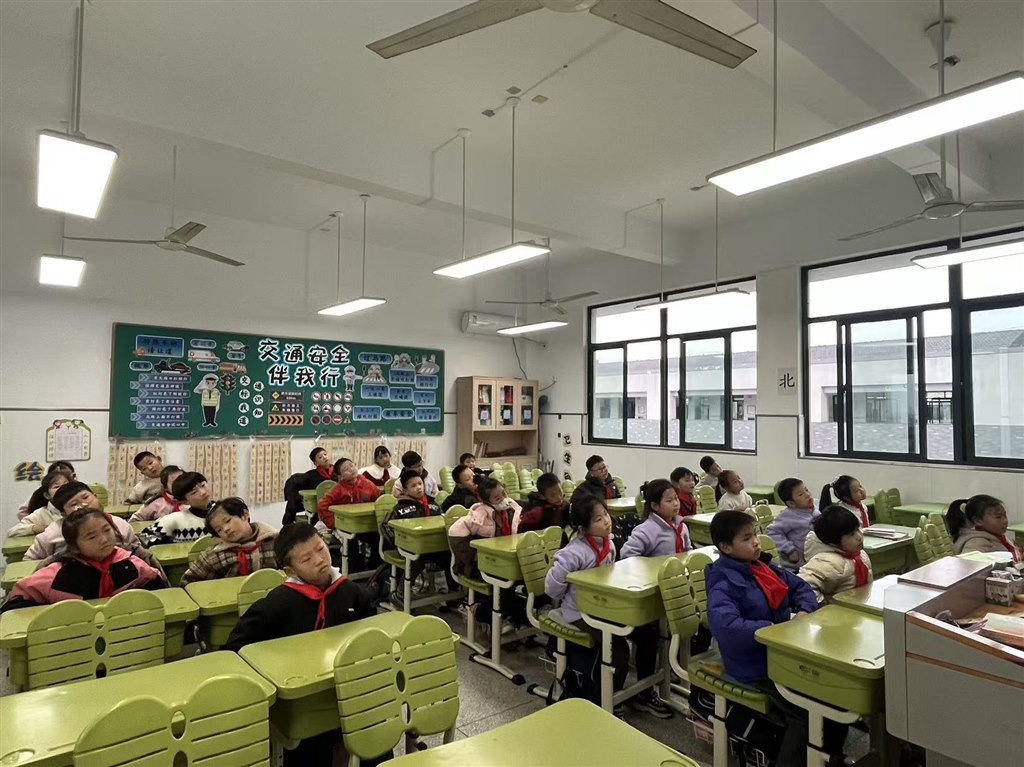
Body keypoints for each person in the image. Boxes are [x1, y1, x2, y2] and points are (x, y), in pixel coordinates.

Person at [223, 523, 375, 767]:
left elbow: (370, 631)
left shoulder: (351, 591)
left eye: (320, 549)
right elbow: (235, 648)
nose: (319, 560)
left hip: (350, 687)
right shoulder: (277, 604)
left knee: (374, 732)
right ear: (289, 570)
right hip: (303, 700)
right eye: (306, 559)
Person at [705, 510, 847, 767]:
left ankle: (828, 756)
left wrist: (804, 611)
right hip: (753, 664)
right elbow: (726, 627)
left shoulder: (763, 567)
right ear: (726, 547)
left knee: (834, 694)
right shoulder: (723, 582)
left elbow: (801, 587)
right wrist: (773, 628)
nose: (756, 542)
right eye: (747, 538)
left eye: (755, 534)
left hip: (782, 652)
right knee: (806, 713)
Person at [545, 495, 670, 718]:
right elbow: (552, 588)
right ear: (583, 528)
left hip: (605, 606)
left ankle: (643, 692)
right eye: (598, 519)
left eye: (605, 515)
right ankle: (609, 700)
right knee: (617, 647)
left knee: (648, 634)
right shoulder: (573, 553)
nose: (606, 521)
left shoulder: (608, 543)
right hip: (580, 612)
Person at [1, 508, 167, 612]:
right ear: (74, 547)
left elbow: (157, 588)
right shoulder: (57, 575)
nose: (104, 539)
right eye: (91, 537)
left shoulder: (132, 563)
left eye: (107, 530)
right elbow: (18, 603)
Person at [26, 481, 144, 562]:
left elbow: (136, 550)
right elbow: (29, 561)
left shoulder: (120, 524)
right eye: (73, 504)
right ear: (63, 513)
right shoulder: (52, 533)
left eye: (86, 497)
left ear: (95, 496)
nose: (83, 505)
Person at [382, 469, 456, 593]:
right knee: (416, 560)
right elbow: (385, 525)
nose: (418, 487)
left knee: (450, 557)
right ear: (405, 490)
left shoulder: (433, 505)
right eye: (413, 486)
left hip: (432, 547)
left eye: (420, 484)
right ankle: (401, 593)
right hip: (408, 548)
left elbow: (441, 521)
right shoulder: (399, 508)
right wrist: (397, 541)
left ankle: (454, 594)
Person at [179, 498, 279, 586]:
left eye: (227, 521)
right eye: (219, 530)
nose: (225, 529)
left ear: (244, 515)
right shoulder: (215, 555)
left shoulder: (275, 542)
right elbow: (188, 582)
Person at [448, 476, 522, 579]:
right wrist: (474, 558)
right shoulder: (479, 516)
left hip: (505, 557)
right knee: (508, 577)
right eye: (497, 498)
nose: (503, 499)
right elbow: (455, 531)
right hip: (486, 562)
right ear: (486, 501)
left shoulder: (512, 509)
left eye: (504, 493)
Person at [798, 506, 872, 603]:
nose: (859, 537)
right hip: (842, 611)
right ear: (833, 542)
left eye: (858, 529)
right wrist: (825, 604)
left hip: (860, 606)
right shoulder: (828, 562)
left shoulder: (860, 554)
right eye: (851, 534)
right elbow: (802, 585)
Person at [621, 479, 692, 558]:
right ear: (655, 506)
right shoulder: (646, 531)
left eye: (676, 498)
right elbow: (626, 555)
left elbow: (688, 552)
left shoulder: (682, 526)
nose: (676, 503)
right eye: (669, 500)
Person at [137, 471, 212, 546]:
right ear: (184, 501)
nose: (203, 492)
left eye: (203, 485)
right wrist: (170, 547)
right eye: (194, 492)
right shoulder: (175, 519)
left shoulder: (218, 511)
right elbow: (145, 537)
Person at [765, 477, 820, 570]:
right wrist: (790, 550)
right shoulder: (788, 516)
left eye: (806, 490)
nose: (807, 495)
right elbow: (771, 531)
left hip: (814, 555)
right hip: (797, 564)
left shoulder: (815, 507)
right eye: (801, 494)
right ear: (791, 503)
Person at [947, 495, 1021, 561]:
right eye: (998, 517)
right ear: (977, 520)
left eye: (1004, 515)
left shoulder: (996, 536)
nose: (1005, 521)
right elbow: (968, 565)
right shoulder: (976, 543)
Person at [316, 458, 380, 530]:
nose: (351, 469)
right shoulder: (338, 489)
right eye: (346, 469)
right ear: (340, 476)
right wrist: (333, 524)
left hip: (367, 523)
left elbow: (379, 500)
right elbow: (322, 505)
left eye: (351, 466)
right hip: (346, 525)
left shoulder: (368, 483)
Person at [7, 469, 72, 537]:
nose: (63, 488)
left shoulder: (77, 507)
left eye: (66, 484)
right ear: (47, 495)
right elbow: (12, 531)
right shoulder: (41, 513)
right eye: (56, 486)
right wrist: (37, 528)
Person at [281, 447, 334, 525]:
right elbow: (293, 481)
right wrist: (291, 498)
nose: (324, 457)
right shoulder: (311, 475)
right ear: (316, 463)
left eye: (325, 454)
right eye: (320, 457)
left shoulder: (338, 472)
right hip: (317, 508)